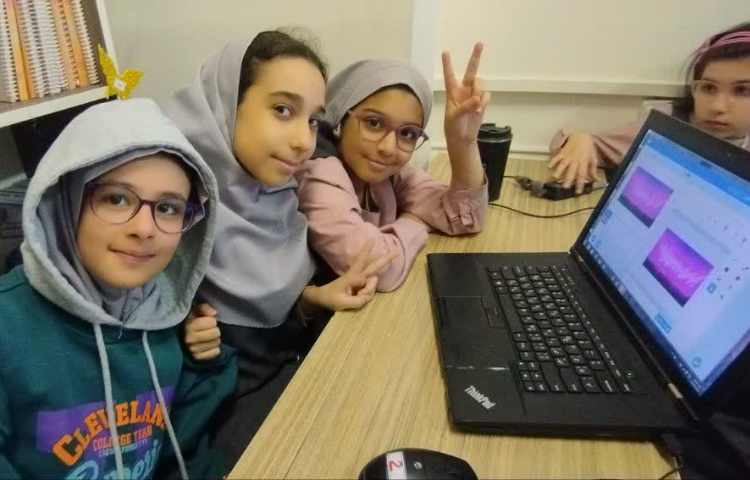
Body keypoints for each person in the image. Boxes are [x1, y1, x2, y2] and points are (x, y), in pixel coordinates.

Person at [165, 30, 394, 467]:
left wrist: (313, 299)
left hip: (287, 386)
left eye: (312, 120)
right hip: (217, 424)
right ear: (226, 104)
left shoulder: (278, 195)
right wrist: (182, 341)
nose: (305, 141)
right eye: (283, 110)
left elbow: (265, 317)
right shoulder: (169, 205)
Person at [0, 98, 237, 479]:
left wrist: (200, 364)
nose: (144, 229)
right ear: (67, 201)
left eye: (168, 208)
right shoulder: (8, 330)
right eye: (116, 199)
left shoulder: (169, 317)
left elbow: (184, 448)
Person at [295, 43, 490, 292]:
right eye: (374, 123)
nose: (388, 148)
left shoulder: (386, 171)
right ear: (341, 118)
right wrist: (414, 221)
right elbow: (378, 270)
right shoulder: (319, 173)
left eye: (408, 133)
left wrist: (462, 142)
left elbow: (464, 217)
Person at [548, 22, 750, 194]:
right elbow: (582, 147)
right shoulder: (668, 126)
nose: (717, 106)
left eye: (742, 90)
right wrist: (581, 139)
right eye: (708, 88)